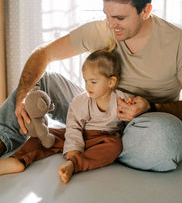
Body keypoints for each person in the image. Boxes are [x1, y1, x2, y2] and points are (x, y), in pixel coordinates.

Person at [0, 0, 182, 172]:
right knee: (43, 82)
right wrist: (22, 96)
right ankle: (3, 138)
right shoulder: (104, 29)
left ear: (146, 11)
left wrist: (152, 107)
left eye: (120, 18)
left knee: (168, 139)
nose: (112, 25)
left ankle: (91, 142)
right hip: (96, 111)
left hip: (140, 124)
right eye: (107, 15)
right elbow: (44, 54)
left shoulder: (180, 43)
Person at [0, 50, 130, 181]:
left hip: (102, 139)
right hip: (79, 133)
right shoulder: (81, 102)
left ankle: (74, 164)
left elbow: (134, 113)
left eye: (93, 82)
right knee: (45, 136)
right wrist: (73, 148)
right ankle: (18, 159)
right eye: (85, 80)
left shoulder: (122, 100)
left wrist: (74, 159)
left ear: (111, 82)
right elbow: (73, 127)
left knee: (115, 145)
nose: (87, 86)